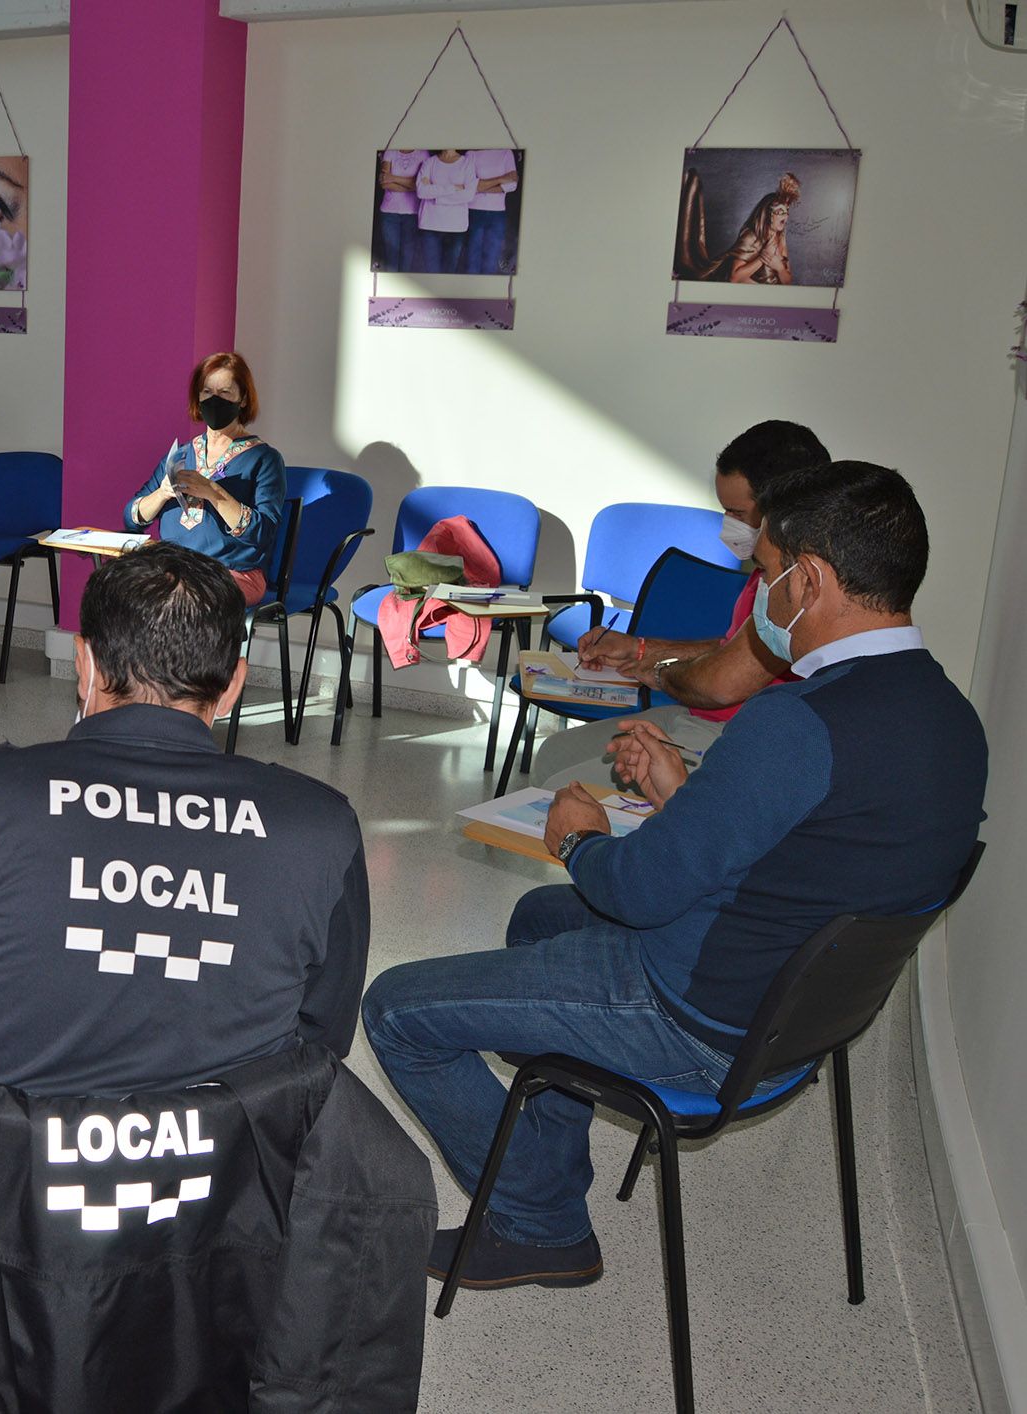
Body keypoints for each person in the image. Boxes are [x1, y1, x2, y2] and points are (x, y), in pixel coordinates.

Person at [362, 461, 986, 1291]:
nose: (759, 591)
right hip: (792, 1014)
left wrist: (580, 839)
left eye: (765, 572)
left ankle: (537, 1223)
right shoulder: (951, 717)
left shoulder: (795, 722)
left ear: (811, 580)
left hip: (693, 1014)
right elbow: (814, 844)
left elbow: (633, 892)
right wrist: (689, 798)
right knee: (544, 922)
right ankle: (546, 1159)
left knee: (397, 1008)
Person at [0, 543, 372, 1251]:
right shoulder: (320, 825)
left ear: (85, 663)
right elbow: (321, 1043)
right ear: (236, 683)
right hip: (202, 1196)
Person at [528, 420, 831, 791]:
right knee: (552, 756)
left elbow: (722, 683)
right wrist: (639, 649)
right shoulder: (766, 571)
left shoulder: (796, 585)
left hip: (735, 737)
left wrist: (657, 671)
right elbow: (734, 648)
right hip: (699, 718)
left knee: (564, 787)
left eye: (737, 512)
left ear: (784, 510)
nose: (728, 525)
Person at [123, 352, 286, 607]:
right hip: (175, 569)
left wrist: (212, 491)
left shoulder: (264, 459)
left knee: (178, 600)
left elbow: (263, 532)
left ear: (243, 399)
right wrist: (163, 493)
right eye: (207, 392)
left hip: (233, 573)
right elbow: (131, 518)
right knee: (121, 586)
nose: (214, 400)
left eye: (225, 393)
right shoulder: (182, 454)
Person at [414, 149, 475, 273]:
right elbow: (421, 192)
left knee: (449, 273)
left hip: (456, 227)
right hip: (430, 224)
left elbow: (468, 195)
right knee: (431, 273)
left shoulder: (467, 163)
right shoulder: (429, 162)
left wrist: (435, 195)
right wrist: (454, 188)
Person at [463, 149, 519, 275]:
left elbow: (512, 185)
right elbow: (470, 186)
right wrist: (501, 179)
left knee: (492, 259)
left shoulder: (505, 153)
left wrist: (482, 186)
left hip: (497, 213)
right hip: (474, 211)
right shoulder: (471, 154)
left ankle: (487, 290)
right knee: (472, 259)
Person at [375, 149, 426, 272]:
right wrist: (413, 186)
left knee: (407, 259)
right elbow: (384, 183)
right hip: (389, 213)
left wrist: (393, 177)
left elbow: (422, 184)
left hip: (412, 213)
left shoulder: (423, 153)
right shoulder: (391, 152)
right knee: (391, 258)